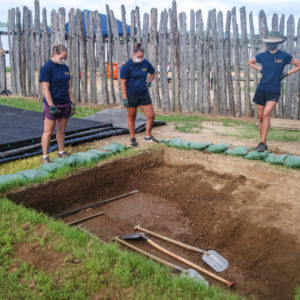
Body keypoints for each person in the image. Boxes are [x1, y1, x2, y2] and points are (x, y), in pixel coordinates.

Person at [248, 31, 300, 152]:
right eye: (268, 43)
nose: (270, 45)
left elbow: (298, 65)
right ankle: (263, 143)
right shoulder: (262, 56)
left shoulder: (284, 56)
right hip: (261, 89)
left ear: (277, 43)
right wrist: (259, 69)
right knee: (260, 116)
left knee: (266, 113)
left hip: (274, 90)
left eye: (272, 43)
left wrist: (286, 74)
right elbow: (250, 62)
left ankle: (261, 142)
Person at [39, 44, 76, 163]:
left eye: (65, 58)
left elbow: (69, 86)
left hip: (64, 103)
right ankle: (45, 156)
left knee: (62, 129)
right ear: (55, 54)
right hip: (53, 104)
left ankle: (61, 152)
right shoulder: (47, 68)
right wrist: (51, 106)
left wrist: (72, 102)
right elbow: (45, 88)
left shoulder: (65, 68)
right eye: (62, 57)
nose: (64, 60)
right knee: (48, 130)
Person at [120, 43, 158, 147]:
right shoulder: (126, 66)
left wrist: (149, 82)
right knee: (132, 116)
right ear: (133, 54)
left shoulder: (145, 63)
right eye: (138, 57)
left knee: (151, 115)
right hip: (131, 95)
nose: (140, 58)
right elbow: (122, 82)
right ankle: (132, 138)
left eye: (142, 57)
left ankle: (148, 136)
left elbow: (153, 72)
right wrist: (124, 98)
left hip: (143, 94)